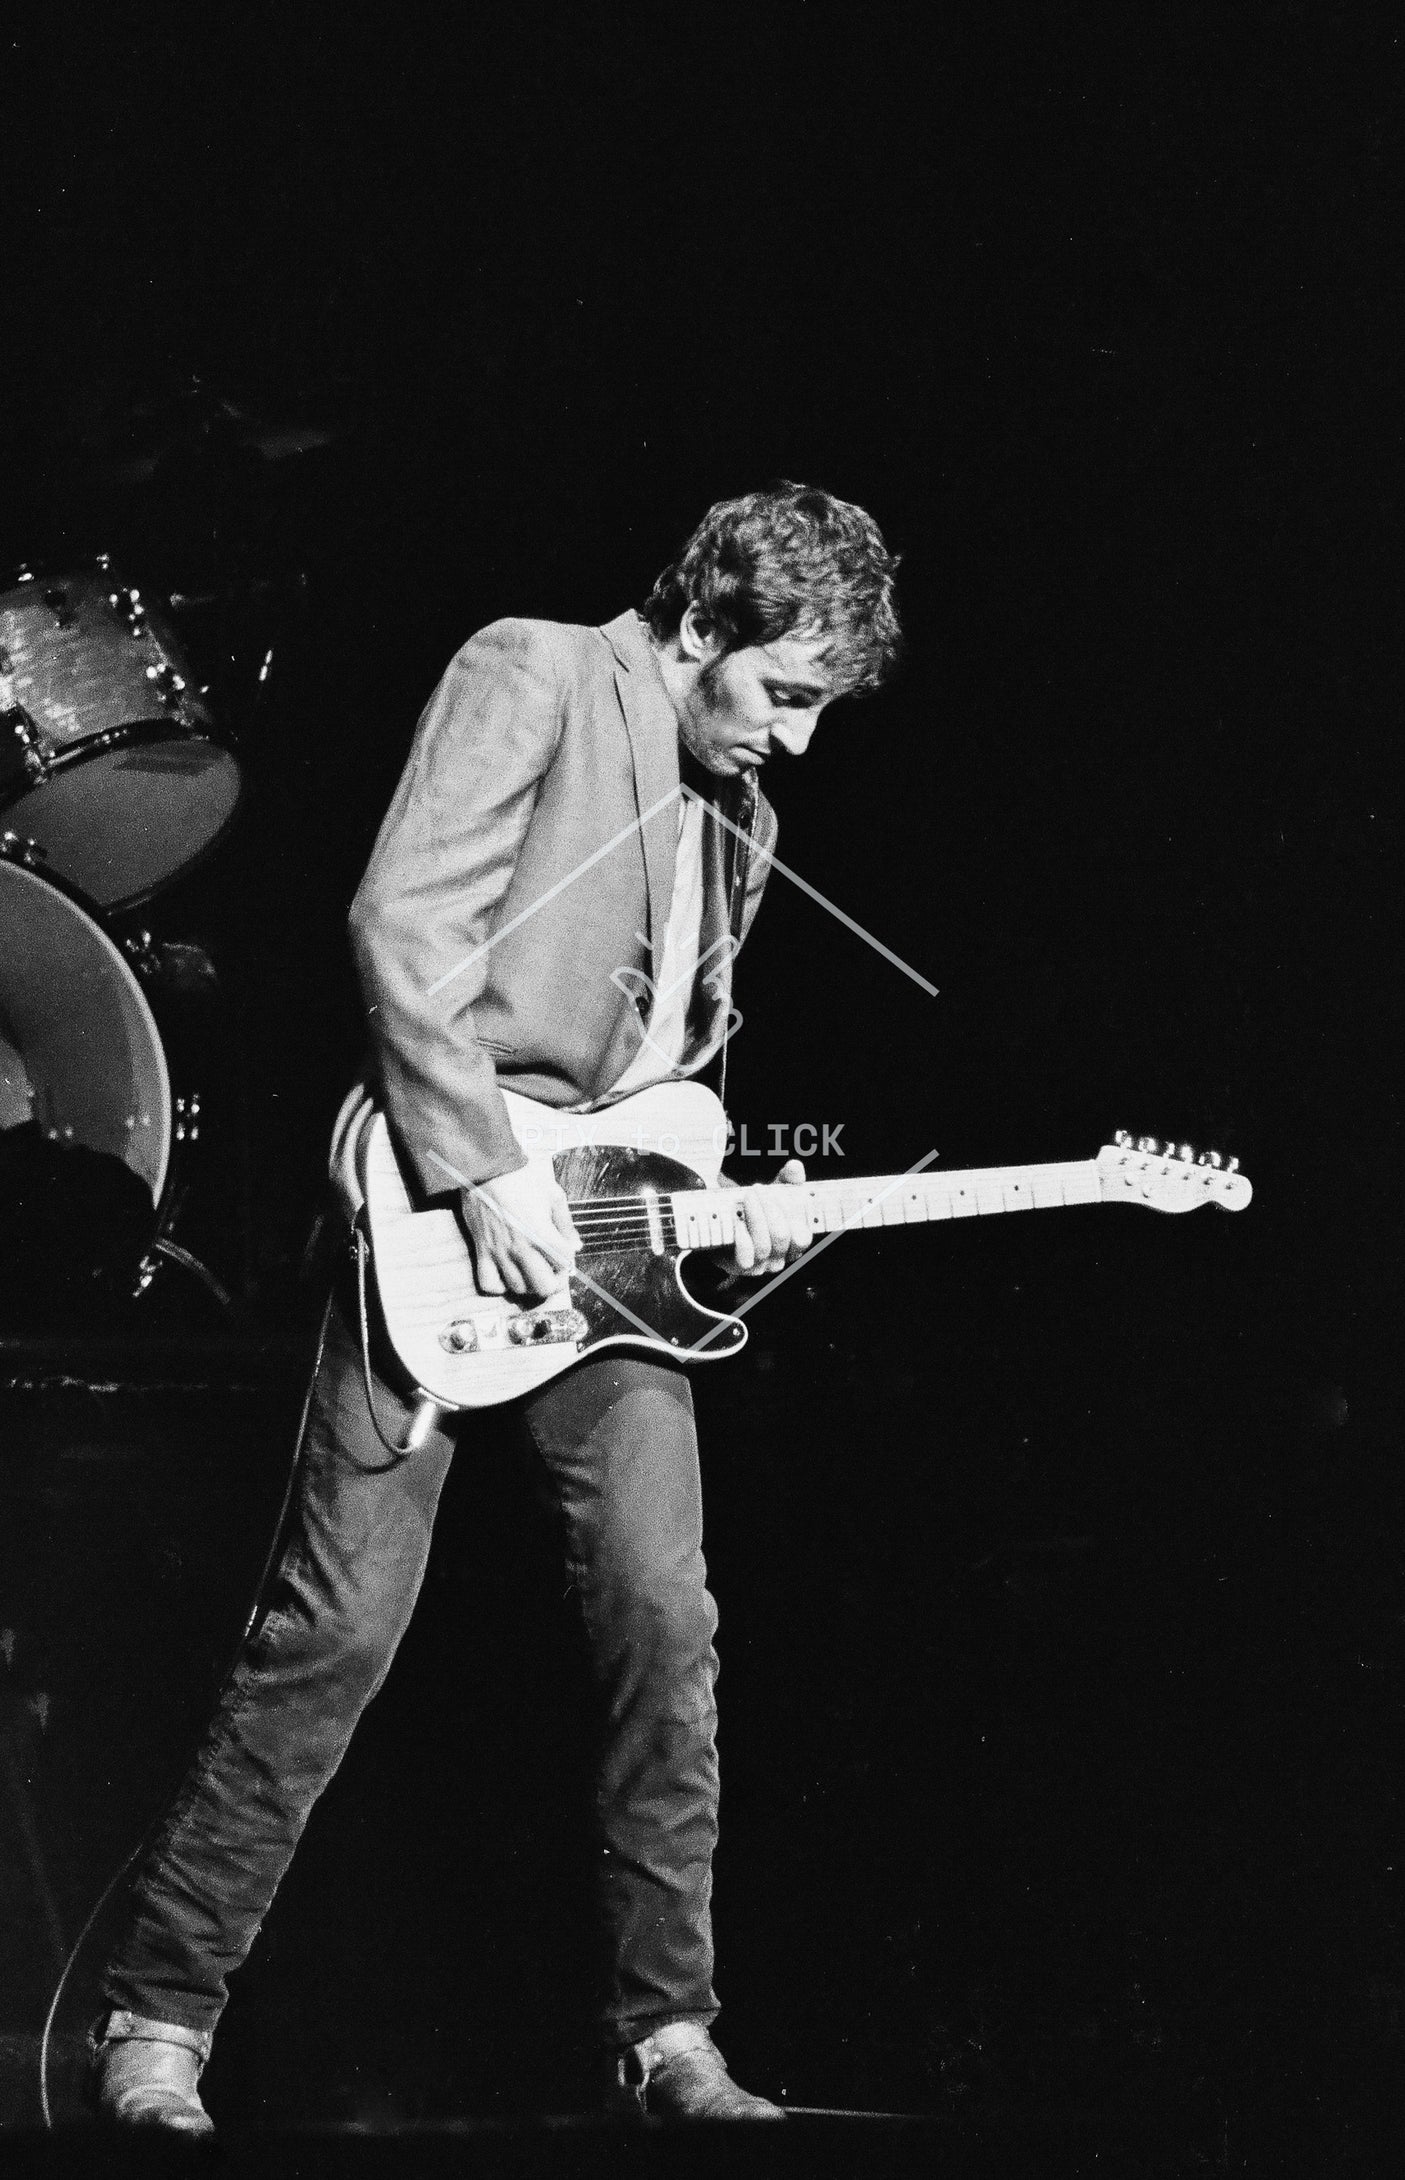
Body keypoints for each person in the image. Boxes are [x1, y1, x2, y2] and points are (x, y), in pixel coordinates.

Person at [90, 481, 902, 2132]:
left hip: (605, 1259)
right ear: (699, 630)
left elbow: (675, 1077)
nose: (799, 741)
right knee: (335, 1634)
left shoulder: (738, 818)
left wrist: (708, 1213)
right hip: (447, 1217)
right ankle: (156, 2020)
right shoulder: (538, 669)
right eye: (786, 693)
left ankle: (670, 2037)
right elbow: (405, 925)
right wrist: (479, 1176)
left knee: (666, 1628)